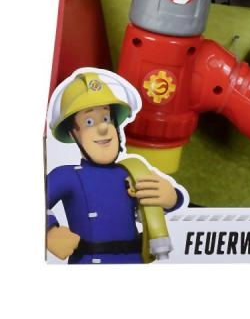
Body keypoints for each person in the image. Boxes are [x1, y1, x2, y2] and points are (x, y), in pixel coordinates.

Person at [46, 69, 185, 264]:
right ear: (73, 133)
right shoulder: (67, 176)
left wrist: (173, 198)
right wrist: (49, 230)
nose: (103, 128)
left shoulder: (132, 171)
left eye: (106, 118)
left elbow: (151, 208)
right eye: (89, 122)